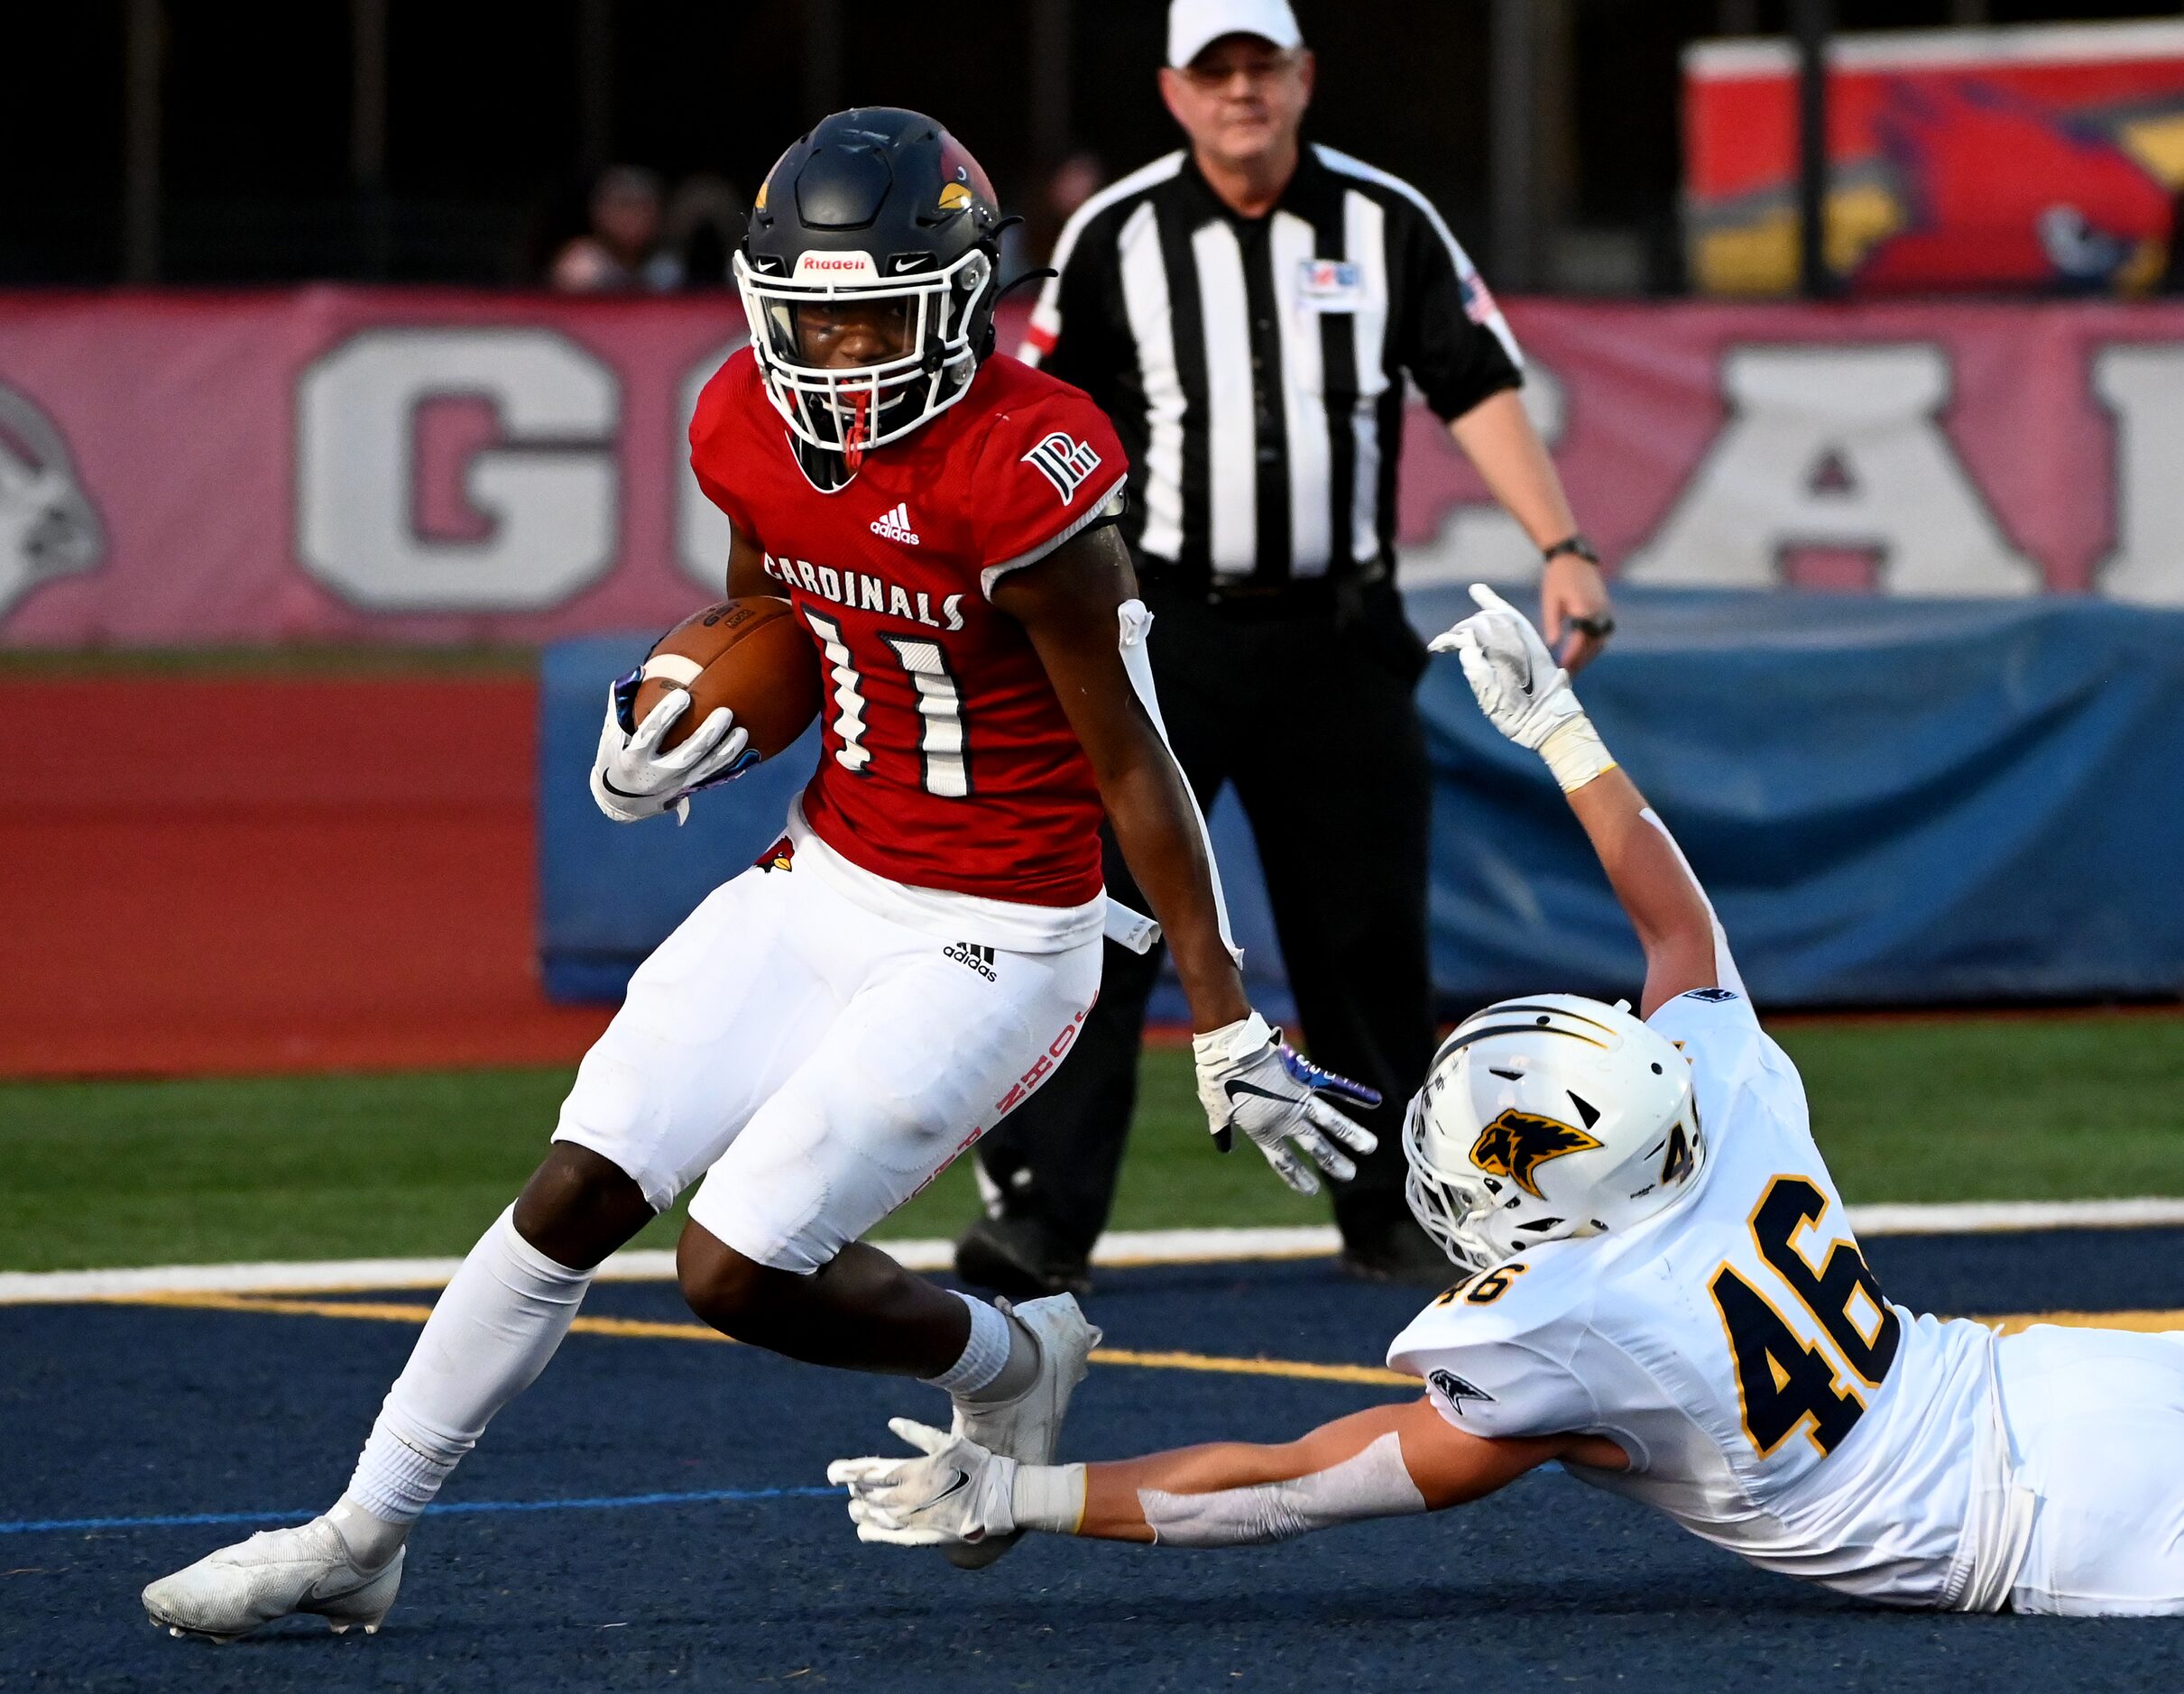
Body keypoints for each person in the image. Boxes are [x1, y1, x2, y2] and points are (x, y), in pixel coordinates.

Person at [140, 107, 1378, 1643]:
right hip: (825, 873)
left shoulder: (1024, 470)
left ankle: (1008, 1352)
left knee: (730, 1270)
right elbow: (772, 621)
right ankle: (362, 1530)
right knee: (571, 1192)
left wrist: (1228, 1008)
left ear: (963, 300)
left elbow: (1134, 757)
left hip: (998, 932)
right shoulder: (743, 418)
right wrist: (686, 731)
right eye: (808, 314)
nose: (837, 349)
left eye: (871, 313)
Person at [835, 586, 2184, 1617]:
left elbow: (1293, 1481)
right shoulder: (1719, 1091)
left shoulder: (1571, 1312)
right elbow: (1677, 924)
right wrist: (1559, 726)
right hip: (2054, 1375)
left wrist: (1027, 1492)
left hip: (2046, 1521)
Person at [956, 0, 1616, 1294]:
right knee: (1104, 918)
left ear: (1306, 77)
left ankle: (1393, 1203)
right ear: (1172, 90)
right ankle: (1043, 1213)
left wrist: (1562, 540)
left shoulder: (1387, 221)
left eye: (1262, 66)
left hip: (1341, 630)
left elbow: (1469, 378)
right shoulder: (1116, 233)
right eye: (1218, 71)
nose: (1241, 91)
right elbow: (1029, 407)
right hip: (1165, 630)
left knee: (1367, 936)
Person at [549, 165, 682, 292]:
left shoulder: (666, 266)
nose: (632, 218)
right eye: (623, 206)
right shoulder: (581, 264)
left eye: (643, 209)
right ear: (600, 212)